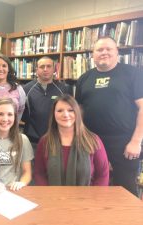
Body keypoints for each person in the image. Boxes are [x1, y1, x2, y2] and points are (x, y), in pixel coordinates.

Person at [75, 36, 143, 195]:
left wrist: (136, 141)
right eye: (99, 49)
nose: (104, 52)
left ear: (117, 52)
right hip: (91, 142)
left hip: (124, 143)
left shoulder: (133, 74)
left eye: (108, 49)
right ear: (93, 54)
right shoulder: (84, 78)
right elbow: (79, 111)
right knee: (92, 185)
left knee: (125, 190)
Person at [34, 94, 109, 186]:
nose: (65, 114)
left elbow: (102, 175)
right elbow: (39, 174)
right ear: (54, 114)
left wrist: (94, 198)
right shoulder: (45, 142)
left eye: (70, 110)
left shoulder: (93, 141)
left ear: (77, 113)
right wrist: (49, 196)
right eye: (60, 110)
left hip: (87, 199)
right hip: (53, 198)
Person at [22, 56, 71, 151]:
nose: (45, 69)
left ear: (54, 69)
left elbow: (69, 112)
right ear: (36, 70)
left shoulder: (63, 89)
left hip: (57, 140)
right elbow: (23, 114)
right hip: (33, 141)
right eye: (42, 66)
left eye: (49, 66)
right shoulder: (26, 89)